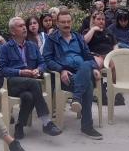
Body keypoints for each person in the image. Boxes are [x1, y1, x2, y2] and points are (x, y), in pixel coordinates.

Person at [0, 17, 62, 139]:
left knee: (29, 96)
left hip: (30, 84)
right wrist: (20, 72)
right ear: (12, 31)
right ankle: (46, 122)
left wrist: (38, 69)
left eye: (24, 25)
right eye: (20, 26)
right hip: (13, 83)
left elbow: (43, 63)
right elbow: (1, 69)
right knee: (34, 84)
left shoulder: (32, 45)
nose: (24, 28)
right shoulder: (5, 48)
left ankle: (19, 126)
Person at [42, 10, 103, 140]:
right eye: (63, 22)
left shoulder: (78, 38)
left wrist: (94, 67)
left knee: (86, 65)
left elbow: (88, 56)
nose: (66, 24)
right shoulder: (52, 39)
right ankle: (87, 127)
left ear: (72, 22)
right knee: (88, 85)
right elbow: (47, 59)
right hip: (67, 77)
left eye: (68, 21)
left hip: (82, 71)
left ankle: (76, 98)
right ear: (57, 23)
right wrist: (61, 70)